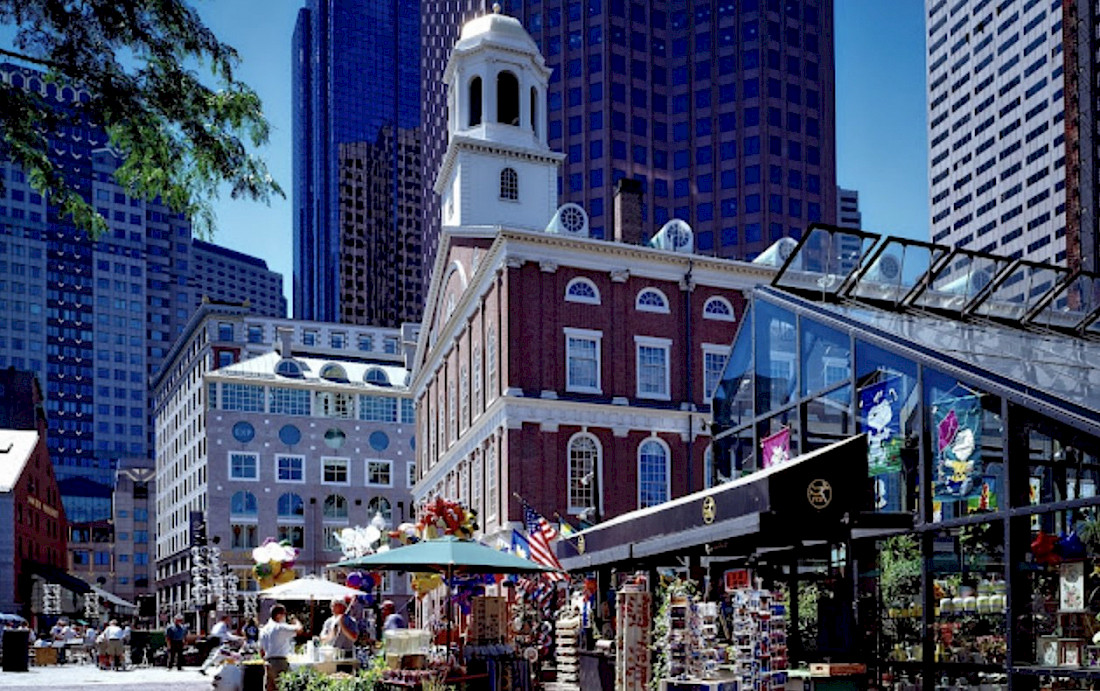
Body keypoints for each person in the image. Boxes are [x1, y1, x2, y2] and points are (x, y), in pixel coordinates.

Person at [259, 604, 301, 691]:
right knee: (283, 687)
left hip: (268, 662)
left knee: (270, 688)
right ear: (279, 615)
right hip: (279, 661)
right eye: (284, 614)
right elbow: (299, 630)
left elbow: (261, 650)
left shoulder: (264, 629)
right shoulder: (280, 627)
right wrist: (296, 621)